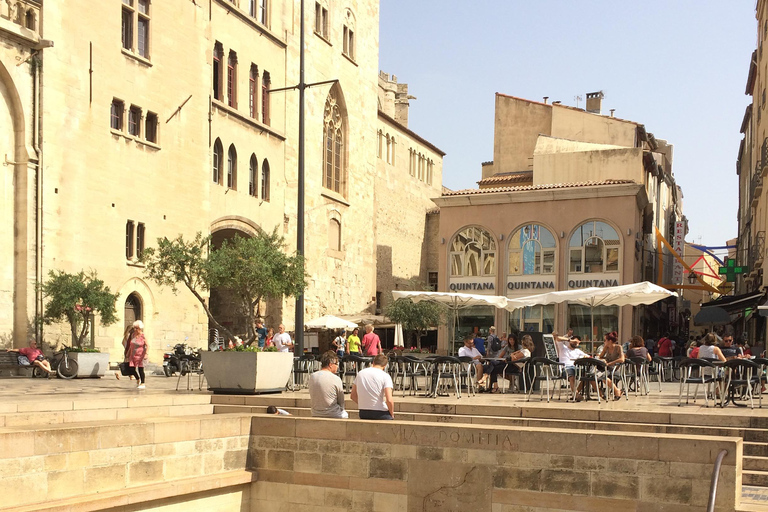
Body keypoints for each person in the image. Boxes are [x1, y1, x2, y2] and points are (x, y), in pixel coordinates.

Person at [351, 353, 394, 420]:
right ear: (385, 366)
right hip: (380, 411)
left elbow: (353, 395)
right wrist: (392, 413)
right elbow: (389, 400)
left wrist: (364, 404)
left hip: (363, 412)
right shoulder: (385, 376)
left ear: (373, 362)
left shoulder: (360, 373)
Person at [308, 351, 349, 419]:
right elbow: (341, 402)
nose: (337, 367)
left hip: (315, 412)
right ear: (330, 364)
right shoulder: (336, 378)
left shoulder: (312, 376)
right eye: (336, 364)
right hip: (333, 413)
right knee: (345, 414)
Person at [553, 333, 590, 401]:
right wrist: (569, 340)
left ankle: (576, 392)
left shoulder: (578, 351)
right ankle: (575, 394)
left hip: (576, 368)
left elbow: (588, 357)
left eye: (577, 343)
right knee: (571, 376)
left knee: (588, 376)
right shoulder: (563, 348)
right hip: (566, 368)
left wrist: (586, 357)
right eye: (575, 342)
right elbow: (557, 338)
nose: (576, 343)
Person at [597, 332, 624, 400]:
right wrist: (604, 360)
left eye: (605, 340)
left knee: (603, 377)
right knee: (599, 376)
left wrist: (610, 363)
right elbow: (600, 357)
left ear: (610, 341)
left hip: (616, 369)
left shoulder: (618, 347)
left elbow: (622, 359)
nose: (604, 342)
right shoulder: (606, 348)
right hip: (608, 369)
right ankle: (617, 391)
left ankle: (616, 391)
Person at [127, 320, 148, 389]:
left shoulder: (143, 336)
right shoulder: (132, 335)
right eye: (134, 328)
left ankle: (142, 383)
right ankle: (137, 378)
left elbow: (147, 345)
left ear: (140, 328)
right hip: (133, 355)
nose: (135, 330)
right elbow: (130, 345)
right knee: (131, 369)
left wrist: (146, 354)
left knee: (140, 369)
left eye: (136, 328)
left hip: (141, 355)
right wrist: (128, 353)